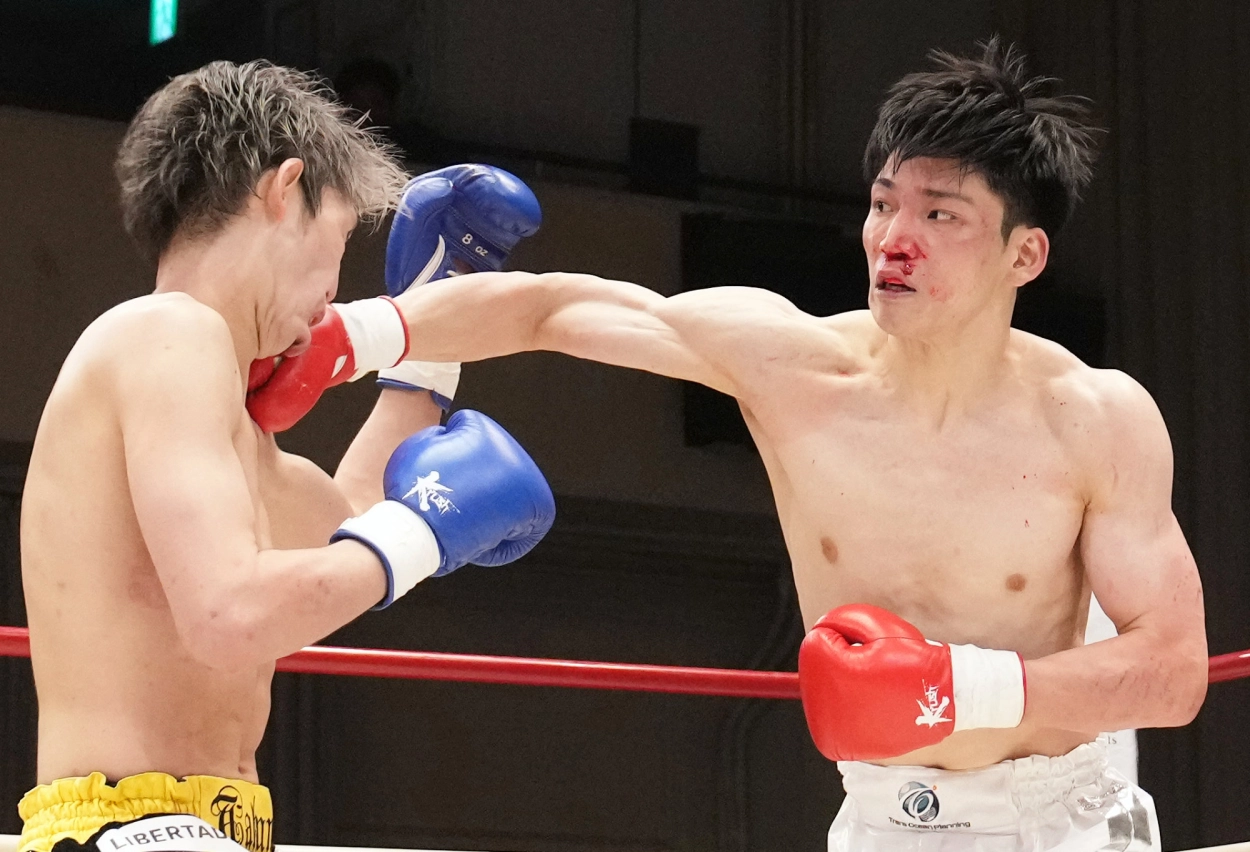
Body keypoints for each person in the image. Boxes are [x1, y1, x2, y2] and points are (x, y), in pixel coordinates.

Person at [254, 39, 1208, 851]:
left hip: (1056, 821)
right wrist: (353, 336)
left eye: (941, 214)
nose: (895, 238)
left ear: (1023, 254)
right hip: (879, 818)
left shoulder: (1094, 419)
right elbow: (553, 307)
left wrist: (959, 689)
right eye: (884, 203)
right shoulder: (793, 366)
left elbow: (1172, 672)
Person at [17, 60, 551, 852]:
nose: (334, 290)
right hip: (130, 827)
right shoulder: (167, 334)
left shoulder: (233, 431)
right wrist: (422, 531)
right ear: (284, 187)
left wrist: (433, 324)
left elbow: (354, 529)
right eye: (341, 236)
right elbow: (231, 616)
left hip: (216, 825)